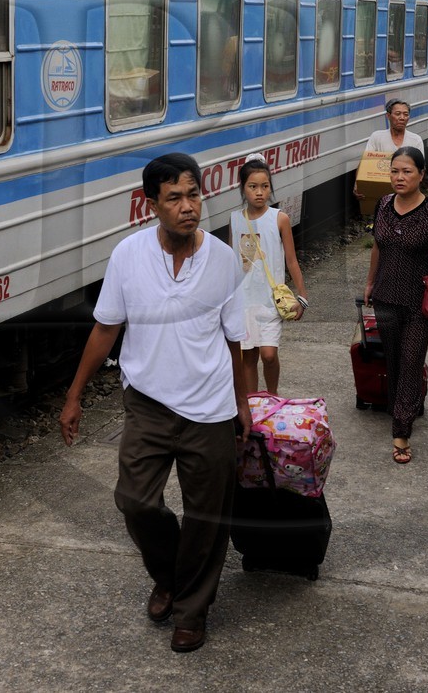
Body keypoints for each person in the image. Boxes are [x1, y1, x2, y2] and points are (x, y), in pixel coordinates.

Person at [59, 153, 252, 654]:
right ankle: (168, 578)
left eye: (194, 195)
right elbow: (106, 328)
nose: (188, 207)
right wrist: (74, 396)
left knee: (207, 517)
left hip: (210, 408)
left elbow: (237, 341)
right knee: (136, 501)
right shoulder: (128, 255)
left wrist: (245, 405)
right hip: (146, 403)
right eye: (175, 198)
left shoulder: (225, 260)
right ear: (151, 205)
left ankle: (192, 609)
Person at [363, 146, 428, 464]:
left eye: (406, 171)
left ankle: (401, 431)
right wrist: (369, 283)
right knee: (393, 361)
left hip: (420, 301)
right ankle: (408, 404)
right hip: (386, 297)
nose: (399, 177)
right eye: (394, 171)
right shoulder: (384, 205)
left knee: (410, 361)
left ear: (421, 174)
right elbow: (378, 245)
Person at [232, 155, 307, 396]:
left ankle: (273, 397)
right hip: (244, 302)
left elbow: (291, 260)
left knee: (269, 354)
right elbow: (232, 263)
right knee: (248, 358)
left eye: (265, 186)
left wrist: (302, 297)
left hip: (271, 301)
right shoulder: (235, 220)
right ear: (243, 188)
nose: (259, 192)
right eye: (253, 186)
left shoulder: (279, 219)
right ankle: (253, 405)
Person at [356, 99, 425, 201]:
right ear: (388, 116)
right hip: (380, 194)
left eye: (405, 114)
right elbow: (365, 164)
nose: (402, 118)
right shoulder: (377, 137)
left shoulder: (416, 140)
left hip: (406, 195)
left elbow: (421, 169)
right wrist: (357, 185)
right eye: (398, 114)